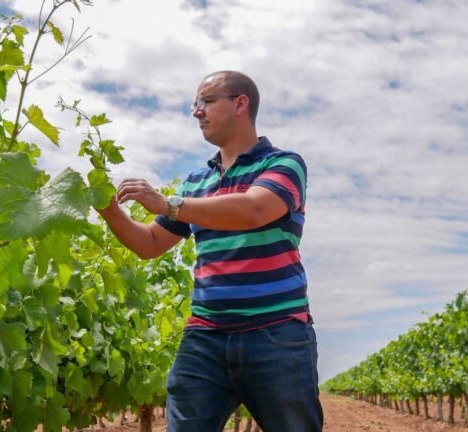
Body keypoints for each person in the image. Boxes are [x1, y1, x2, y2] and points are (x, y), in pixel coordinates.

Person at [97, 70, 323, 431]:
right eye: (194, 104)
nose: (196, 112)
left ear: (240, 103)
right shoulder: (196, 182)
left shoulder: (283, 164)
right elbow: (150, 244)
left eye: (205, 101)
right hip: (205, 339)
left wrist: (166, 203)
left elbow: (254, 210)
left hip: (277, 336)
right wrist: (108, 209)